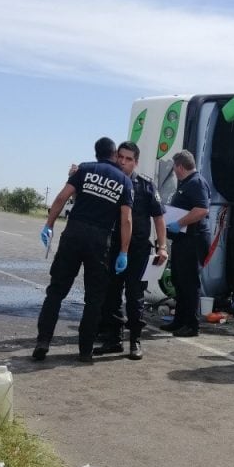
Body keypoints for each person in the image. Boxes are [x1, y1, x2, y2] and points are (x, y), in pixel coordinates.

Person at [33, 137, 132, 364]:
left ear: (96, 154)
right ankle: (85, 351)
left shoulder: (85, 170)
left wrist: (49, 224)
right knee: (94, 299)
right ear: (115, 154)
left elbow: (61, 197)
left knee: (56, 292)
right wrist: (124, 251)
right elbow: (126, 220)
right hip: (100, 240)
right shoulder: (124, 181)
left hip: (74, 235)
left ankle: (43, 342)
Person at [95, 141, 168, 361]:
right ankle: (113, 340)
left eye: (129, 159)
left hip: (137, 250)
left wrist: (162, 246)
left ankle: (135, 341)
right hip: (112, 247)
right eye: (121, 157)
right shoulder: (109, 181)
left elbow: (159, 218)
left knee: (135, 296)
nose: (124, 162)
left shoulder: (145, 186)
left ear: (136, 162)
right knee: (111, 295)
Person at [160, 150, 211, 338]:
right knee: (179, 281)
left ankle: (192, 325)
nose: (174, 171)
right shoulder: (187, 183)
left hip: (194, 239)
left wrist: (179, 223)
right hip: (184, 239)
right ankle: (179, 320)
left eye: (174, 167)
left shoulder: (196, 182)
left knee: (189, 283)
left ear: (180, 166)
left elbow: (201, 210)